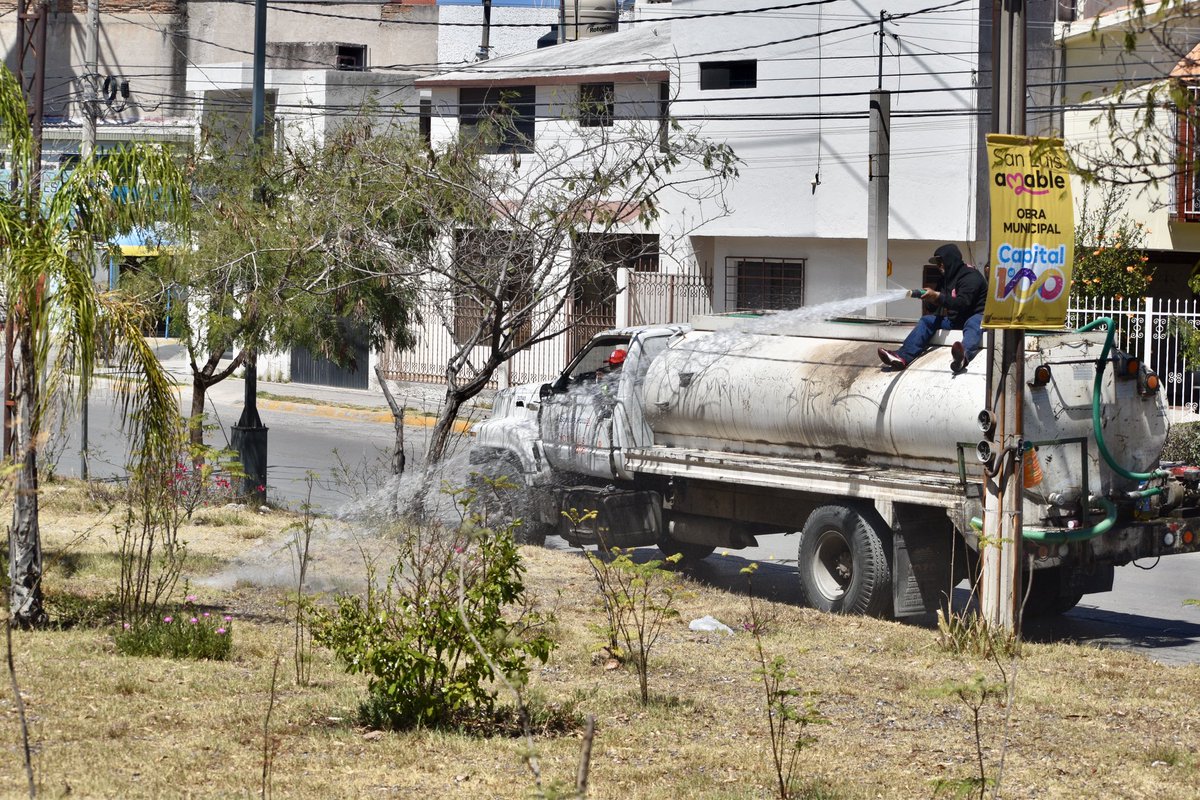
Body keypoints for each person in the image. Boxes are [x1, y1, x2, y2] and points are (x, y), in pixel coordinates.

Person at [877, 243, 987, 373]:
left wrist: (938, 297)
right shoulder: (945, 278)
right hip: (956, 320)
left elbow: (963, 303)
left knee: (973, 323)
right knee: (927, 320)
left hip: (977, 317)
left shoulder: (970, 276)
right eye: (937, 263)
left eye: (941, 261)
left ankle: (963, 357)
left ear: (951, 260)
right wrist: (930, 299)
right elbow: (937, 302)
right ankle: (902, 357)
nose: (939, 266)